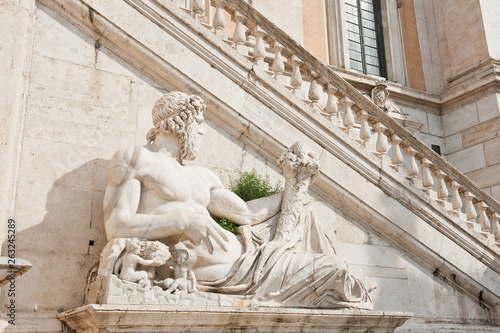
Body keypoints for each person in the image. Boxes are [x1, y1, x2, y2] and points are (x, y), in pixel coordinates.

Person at [103, 91, 373, 309]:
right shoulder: (136, 159)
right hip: (213, 272)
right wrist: (182, 221)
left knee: (329, 261)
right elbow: (116, 225)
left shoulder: (201, 175)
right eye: (199, 125)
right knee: (332, 269)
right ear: (181, 122)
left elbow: (247, 214)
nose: (202, 133)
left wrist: (293, 183)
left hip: (249, 261)